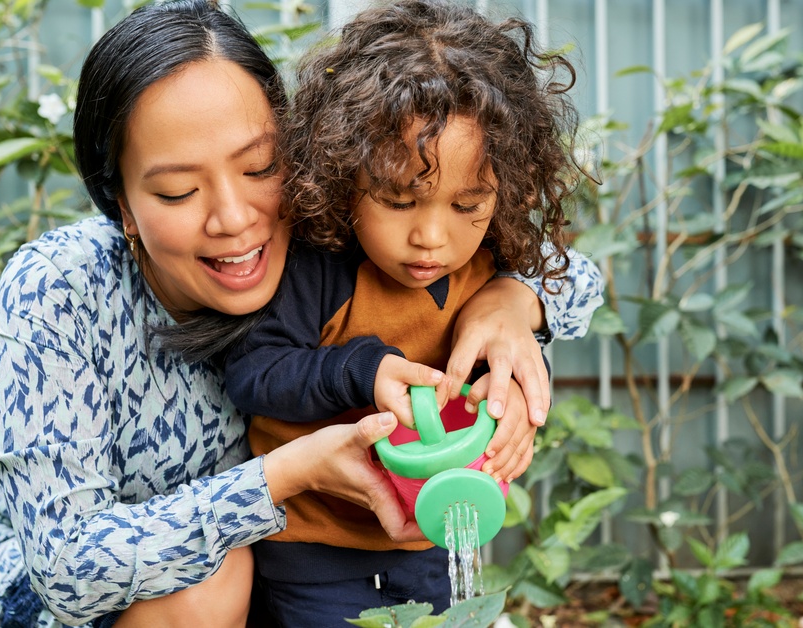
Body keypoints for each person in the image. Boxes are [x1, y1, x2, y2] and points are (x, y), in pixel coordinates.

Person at [0, 1, 603, 627]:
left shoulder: (345, 216)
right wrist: (285, 476)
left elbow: (559, 269)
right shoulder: (62, 288)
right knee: (213, 584)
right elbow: (68, 570)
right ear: (123, 206)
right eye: (176, 191)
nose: (234, 218)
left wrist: (512, 306)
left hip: (304, 575)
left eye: (259, 167)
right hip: (117, 598)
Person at [222, 0, 595, 623]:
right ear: (345, 173)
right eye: (399, 202)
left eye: (467, 204)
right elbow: (254, 373)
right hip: (316, 548)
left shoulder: (491, 263)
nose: (432, 238)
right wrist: (361, 371)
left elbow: (534, 326)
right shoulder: (320, 266)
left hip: (434, 532)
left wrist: (513, 402)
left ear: (506, 187)